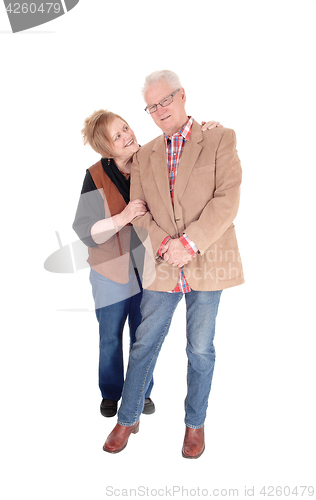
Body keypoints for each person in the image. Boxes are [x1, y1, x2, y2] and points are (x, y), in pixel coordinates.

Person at [103, 70, 244, 458]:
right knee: (144, 342)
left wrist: (190, 243)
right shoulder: (144, 154)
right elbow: (139, 211)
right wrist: (167, 244)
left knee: (200, 349)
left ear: (183, 95)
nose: (159, 110)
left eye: (165, 100)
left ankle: (194, 425)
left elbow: (227, 200)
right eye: (151, 106)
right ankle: (128, 417)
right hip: (162, 262)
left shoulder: (219, 138)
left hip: (207, 259)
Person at [72, 109, 222, 419]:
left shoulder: (154, 156)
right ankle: (112, 393)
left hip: (150, 269)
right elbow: (85, 231)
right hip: (109, 273)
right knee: (110, 337)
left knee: (144, 336)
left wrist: (209, 131)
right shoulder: (96, 176)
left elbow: (188, 149)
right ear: (106, 150)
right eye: (117, 136)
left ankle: (140, 392)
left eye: (125, 128)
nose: (127, 136)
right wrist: (124, 216)